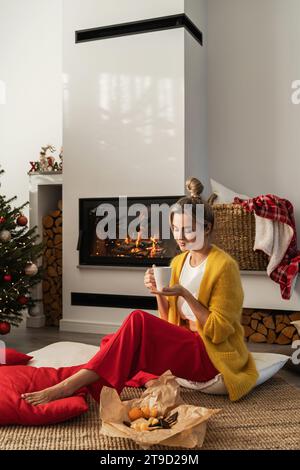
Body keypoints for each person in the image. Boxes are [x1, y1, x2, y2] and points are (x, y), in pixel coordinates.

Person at [22, 177, 258, 405]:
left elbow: (220, 331)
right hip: (186, 342)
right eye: (175, 229)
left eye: (188, 230)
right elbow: (169, 323)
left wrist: (185, 294)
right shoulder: (178, 263)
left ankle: (68, 385)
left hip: (209, 354)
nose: (180, 237)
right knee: (115, 342)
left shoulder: (224, 266)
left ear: (207, 228)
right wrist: (158, 291)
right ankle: (77, 380)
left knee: (135, 325)